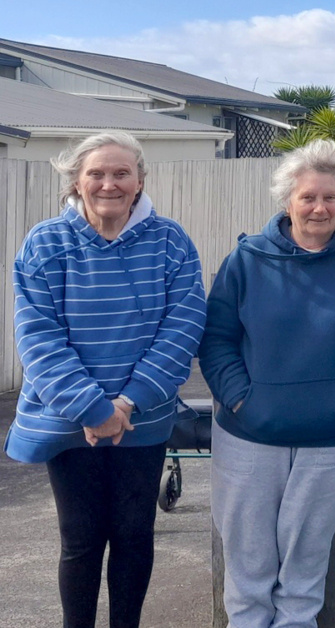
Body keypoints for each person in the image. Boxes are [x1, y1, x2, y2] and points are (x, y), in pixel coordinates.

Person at [4, 131, 207, 628]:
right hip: (70, 420)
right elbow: (38, 337)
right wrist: (96, 410)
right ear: (76, 180)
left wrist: (127, 405)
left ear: (140, 182)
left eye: (122, 173)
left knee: (135, 536)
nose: (109, 184)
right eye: (96, 173)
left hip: (143, 418)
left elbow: (182, 329)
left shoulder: (171, 240)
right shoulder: (46, 242)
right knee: (81, 541)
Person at [200, 138, 335, 628]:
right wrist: (241, 400)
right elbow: (217, 339)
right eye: (308, 197)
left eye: (329, 196)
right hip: (249, 438)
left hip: (333, 436)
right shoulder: (245, 261)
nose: (320, 207)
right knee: (248, 570)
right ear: (287, 201)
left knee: (305, 573)